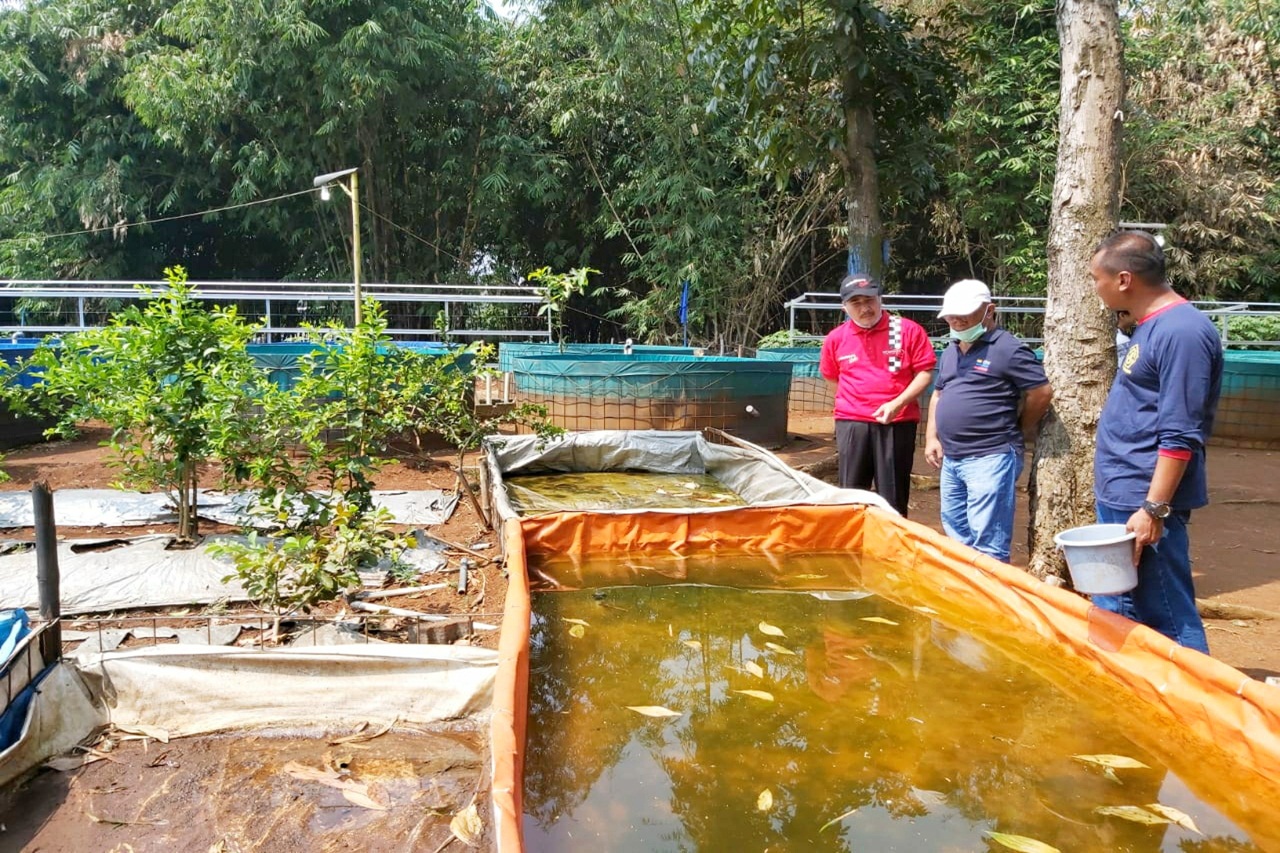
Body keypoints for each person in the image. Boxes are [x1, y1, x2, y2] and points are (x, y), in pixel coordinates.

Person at [1090, 230, 1223, 654]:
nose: (1096, 287)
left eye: (1097, 278)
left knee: (1165, 613)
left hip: (1144, 501)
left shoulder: (1182, 332)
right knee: (1121, 608)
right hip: (1123, 491)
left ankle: (1199, 709)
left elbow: (1181, 431)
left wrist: (1153, 508)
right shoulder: (1147, 327)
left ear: (1124, 279)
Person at [924, 279, 1052, 562]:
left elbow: (1041, 392)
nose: (956, 322)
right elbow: (938, 395)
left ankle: (992, 596)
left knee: (988, 539)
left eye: (964, 316)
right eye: (950, 317)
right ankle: (969, 591)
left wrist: (1021, 426)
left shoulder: (1008, 349)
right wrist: (931, 437)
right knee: (957, 534)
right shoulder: (951, 350)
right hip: (952, 459)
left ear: (989, 311)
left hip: (990, 457)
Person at [819, 274, 936, 516]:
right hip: (852, 423)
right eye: (856, 303)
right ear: (845, 307)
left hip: (897, 423)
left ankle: (892, 547)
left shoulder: (906, 330)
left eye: (869, 300)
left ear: (880, 299)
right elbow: (831, 378)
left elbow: (924, 372)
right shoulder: (836, 338)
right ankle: (851, 545)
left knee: (892, 495)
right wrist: (850, 408)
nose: (865, 308)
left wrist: (897, 403)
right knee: (850, 493)